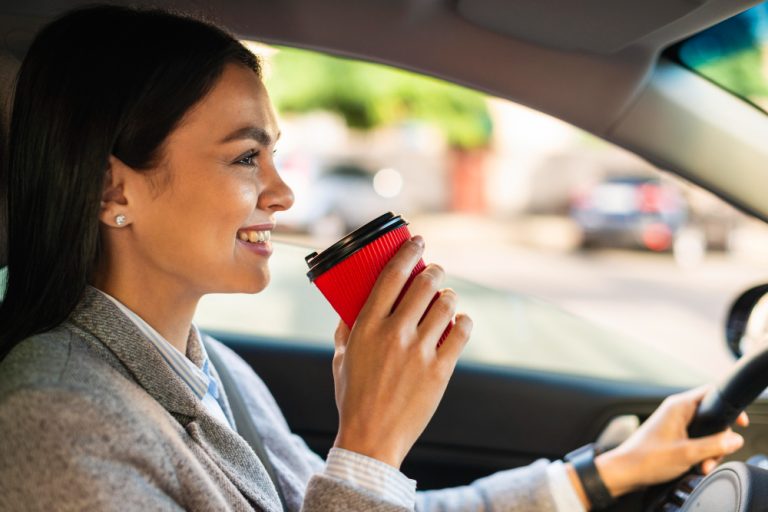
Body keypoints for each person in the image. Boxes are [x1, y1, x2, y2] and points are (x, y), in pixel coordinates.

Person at [0, 5, 748, 511]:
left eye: (275, 155)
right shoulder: (53, 420)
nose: (284, 193)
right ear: (111, 187)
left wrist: (606, 473)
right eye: (245, 157)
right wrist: (369, 444)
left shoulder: (214, 369)